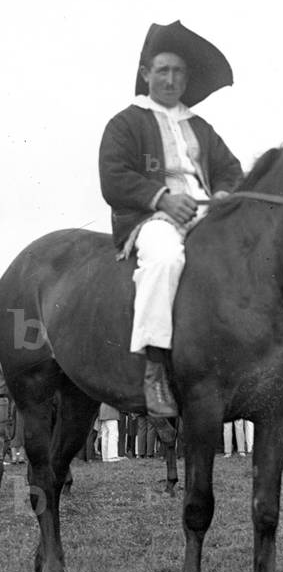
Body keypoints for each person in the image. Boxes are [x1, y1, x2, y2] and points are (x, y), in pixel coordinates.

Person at [99, 21, 243, 417]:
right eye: (162, 70)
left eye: (178, 71)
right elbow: (114, 177)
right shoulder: (126, 123)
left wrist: (224, 194)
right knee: (165, 259)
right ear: (146, 74)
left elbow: (231, 169)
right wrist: (161, 198)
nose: (170, 78)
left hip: (205, 216)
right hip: (151, 220)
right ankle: (156, 368)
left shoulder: (199, 126)